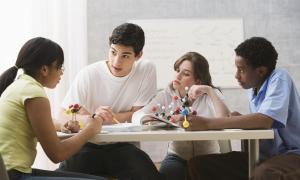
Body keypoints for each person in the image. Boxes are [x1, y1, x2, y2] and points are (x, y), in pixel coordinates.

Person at [58, 23, 163, 180]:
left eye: (125, 56)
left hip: (124, 147)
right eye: (113, 52)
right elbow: (63, 116)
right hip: (88, 144)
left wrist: (99, 120)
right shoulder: (89, 74)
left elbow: (138, 116)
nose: (116, 62)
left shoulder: (146, 70)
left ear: (139, 55)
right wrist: (91, 119)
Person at [185, 37, 300, 180]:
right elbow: (262, 119)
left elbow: (265, 120)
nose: (236, 75)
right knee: (198, 165)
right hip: (264, 156)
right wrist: (240, 117)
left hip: (292, 154)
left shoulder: (280, 77)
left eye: (241, 70)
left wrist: (207, 123)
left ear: (261, 71)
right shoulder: (253, 88)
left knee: (264, 174)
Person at [0, 37, 105, 180]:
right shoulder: (33, 93)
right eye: (59, 67)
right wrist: (90, 130)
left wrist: (61, 125)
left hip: (11, 171)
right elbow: (57, 154)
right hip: (13, 175)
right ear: (44, 69)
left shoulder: (19, 86)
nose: (61, 72)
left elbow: (40, 122)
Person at [132, 52, 231, 180]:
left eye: (185, 74)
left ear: (198, 80)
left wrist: (209, 90)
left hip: (208, 156)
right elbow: (137, 115)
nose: (177, 76)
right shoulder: (167, 94)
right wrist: (145, 119)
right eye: (177, 70)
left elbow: (226, 119)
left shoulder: (211, 94)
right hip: (177, 156)